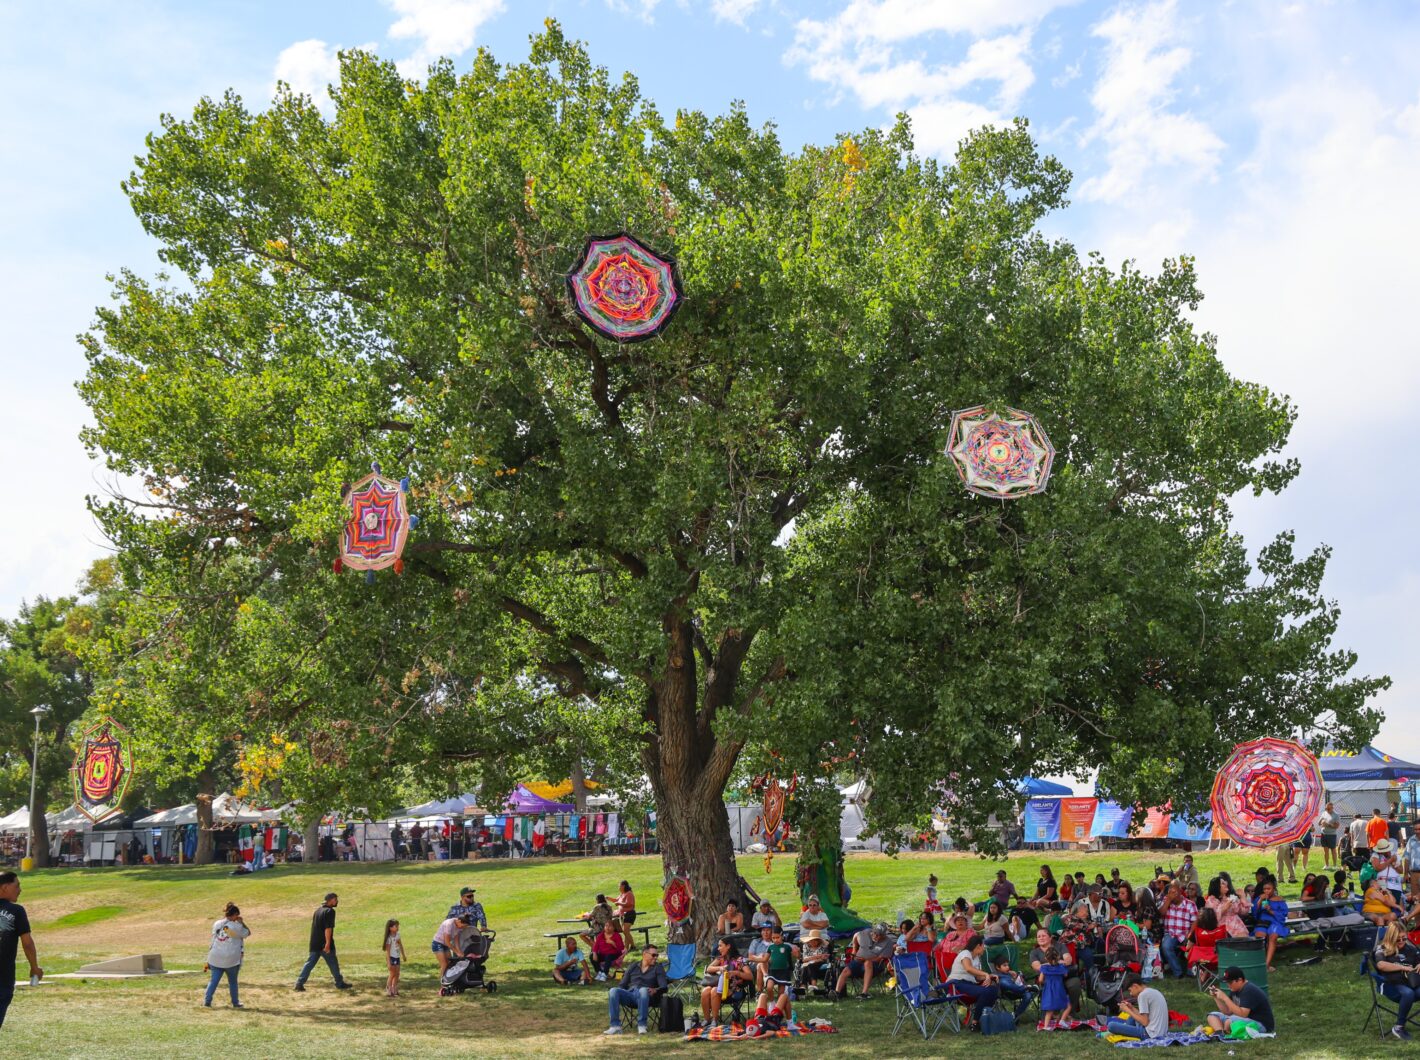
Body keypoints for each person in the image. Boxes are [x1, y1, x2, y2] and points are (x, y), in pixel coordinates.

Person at [0, 872, 41, 1028]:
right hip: (3, 978)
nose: (20, 890)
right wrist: (34, 968)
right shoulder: (16, 911)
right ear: (4, 887)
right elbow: (27, 943)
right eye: (17, 886)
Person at [604, 944, 667, 1036]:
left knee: (643, 990)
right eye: (653, 955)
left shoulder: (658, 968)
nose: (656, 958)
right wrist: (619, 994)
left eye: (657, 955)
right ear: (645, 954)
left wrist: (656, 990)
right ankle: (615, 1026)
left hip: (647, 995)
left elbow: (664, 987)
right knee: (613, 990)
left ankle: (642, 1025)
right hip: (631, 994)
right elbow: (622, 985)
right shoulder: (633, 966)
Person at [1372, 922, 1420, 1041]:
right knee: (1408, 993)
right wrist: (1403, 967)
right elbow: (1381, 965)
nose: (1402, 941)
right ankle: (1399, 1027)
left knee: (1410, 992)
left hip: (1412, 982)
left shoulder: (1411, 948)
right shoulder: (1382, 949)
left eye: (1404, 938)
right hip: (1393, 985)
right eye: (1398, 939)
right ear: (1391, 937)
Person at [295, 892, 351, 991]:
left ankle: (299, 983)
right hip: (324, 943)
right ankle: (339, 983)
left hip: (314, 942)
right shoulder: (330, 911)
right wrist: (328, 944)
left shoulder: (317, 911)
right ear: (329, 901)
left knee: (309, 964)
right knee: (333, 963)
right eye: (335, 899)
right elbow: (328, 929)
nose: (337, 901)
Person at [945, 933, 999, 1030]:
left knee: (992, 990)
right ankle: (975, 1023)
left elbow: (977, 977)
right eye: (984, 946)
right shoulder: (965, 953)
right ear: (978, 946)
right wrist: (985, 974)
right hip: (955, 984)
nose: (984, 948)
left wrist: (989, 977)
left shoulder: (977, 958)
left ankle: (983, 1019)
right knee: (986, 991)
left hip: (969, 984)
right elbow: (968, 968)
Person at [1204, 966, 1276, 1038]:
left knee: (1229, 1021)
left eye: (1230, 982)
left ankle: (1225, 1035)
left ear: (1240, 980)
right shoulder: (1235, 989)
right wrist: (1216, 997)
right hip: (1244, 1020)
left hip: (1262, 1025)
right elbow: (1228, 1011)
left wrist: (1225, 998)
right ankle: (1219, 1033)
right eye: (1227, 982)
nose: (1228, 985)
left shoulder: (1248, 990)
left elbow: (1243, 1014)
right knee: (1212, 1015)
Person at [202, 901, 248, 1008]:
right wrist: (241, 923)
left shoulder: (217, 923)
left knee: (213, 981)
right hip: (230, 959)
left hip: (215, 957)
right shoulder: (236, 927)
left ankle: (207, 1000)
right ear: (235, 915)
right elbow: (247, 933)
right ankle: (235, 1002)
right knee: (232, 982)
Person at [699, 937, 752, 1029]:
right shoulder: (721, 959)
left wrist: (736, 973)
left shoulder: (739, 960)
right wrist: (720, 968)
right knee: (705, 991)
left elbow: (750, 976)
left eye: (720, 946)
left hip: (734, 991)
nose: (718, 948)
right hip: (720, 988)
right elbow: (709, 969)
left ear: (728, 946)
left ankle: (715, 1020)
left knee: (714, 990)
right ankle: (707, 1020)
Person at [836, 920, 893, 999]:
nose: (876, 936)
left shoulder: (888, 942)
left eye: (879, 935)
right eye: (875, 933)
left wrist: (865, 959)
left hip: (875, 966)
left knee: (867, 963)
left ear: (884, 935)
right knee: (846, 969)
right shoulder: (866, 933)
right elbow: (856, 935)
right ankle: (837, 993)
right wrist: (854, 949)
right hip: (858, 962)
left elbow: (880, 959)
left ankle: (864, 993)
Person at [1104, 974, 1168, 1040]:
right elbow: (1145, 1017)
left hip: (1149, 1034)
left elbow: (1145, 1022)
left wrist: (1127, 1010)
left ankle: (1121, 1030)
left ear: (1135, 986)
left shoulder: (1142, 995)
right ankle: (1123, 1029)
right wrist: (1132, 1008)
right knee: (1132, 1016)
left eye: (1130, 990)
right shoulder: (1153, 991)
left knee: (1111, 1025)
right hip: (1160, 1032)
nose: (1130, 994)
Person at [1250, 879, 1290, 971]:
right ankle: (1260, 962)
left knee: (1273, 936)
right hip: (1263, 922)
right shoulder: (1260, 898)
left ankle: (1267, 965)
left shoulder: (1280, 900)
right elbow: (1255, 914)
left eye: (1269, 889)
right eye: (1265, 889)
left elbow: (1283, 916)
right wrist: (1259, 902)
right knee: (1260, 937)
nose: (1266, 891)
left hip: (1276, 922)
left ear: (1274, 889)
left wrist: (1270, 910)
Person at [1160, 882, 1198, 979]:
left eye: (1174, 893)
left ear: (1180, 893)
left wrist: (1190, 936)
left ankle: (1191, 972)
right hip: (1171, 934)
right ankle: (1178, 973)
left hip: (1185, 934)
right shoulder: (1166, 901)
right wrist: (1168, 900)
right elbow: (1160, 914)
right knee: (1166, 946)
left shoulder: (1190, 904)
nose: (1172, 895)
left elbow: (1195, 922)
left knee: (1194, 945)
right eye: (1170, 893)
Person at [990, 952, 1036, 1021]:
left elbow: (1017, 983)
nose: (1007, 967)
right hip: (1006, 993)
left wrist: (1015, 977)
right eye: (1004, 965)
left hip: (1016, 991)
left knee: (1028, 995)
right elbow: (989, 975)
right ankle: (1027, 988)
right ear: (997, 967)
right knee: (1003, 981)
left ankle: (1015, 1015)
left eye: (1008, 965)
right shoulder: (995, 974)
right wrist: (992, 976)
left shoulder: (1010, 974)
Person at [1186, 907, 1226, 987]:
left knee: (1188, 953)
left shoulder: (1197, 932)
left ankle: (1202, 972)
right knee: (1211, 956)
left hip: (1202, 961)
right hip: (1219, 960)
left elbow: (1188, 947)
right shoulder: (1221, 931)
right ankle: (1206, 973)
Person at [432, 910, 474, 978]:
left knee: (449, 963)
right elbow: (447, 941)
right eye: (463, 926)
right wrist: (457, 952)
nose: (463, 928)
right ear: (459, 921)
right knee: (444, 964)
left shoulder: (459, 926)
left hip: (445, 945)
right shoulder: (449, 924)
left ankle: (448, 980)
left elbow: (456, 939)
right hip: (438, 943)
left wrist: (459, 950)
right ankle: (442, 984)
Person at [1037, 944, 1071, 1029]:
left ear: (1046, 958)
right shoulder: (1061, 967)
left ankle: (1045, 1026)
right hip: (1059, 989)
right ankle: (1062, 1020)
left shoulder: (1044, 968)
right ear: (1058, 957)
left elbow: (1040, 980)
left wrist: (1046, 981)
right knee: (1068, 1006)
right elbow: (1066, 975)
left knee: (1049, 1010)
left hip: (1048, 990)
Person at [762, 927, 797, 995]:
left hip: (783, 971)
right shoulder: (770, 946)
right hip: (772, 971)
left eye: (777, 937)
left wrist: (797, 953)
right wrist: (751, 959)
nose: (775, 940)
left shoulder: (787, 945)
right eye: (773, 938)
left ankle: (779, 1004)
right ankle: (772, 1003)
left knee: (781, 993)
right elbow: (764, 959)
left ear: (782, 936)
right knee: (769, 987)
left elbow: (797, 954)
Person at [379, 918, 404, 998]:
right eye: (396, 926)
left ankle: (394, 987)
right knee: (392, 973)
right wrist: (389, 962)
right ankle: (388, 987)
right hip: (391, 957)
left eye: (397, 926)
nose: (397, 927)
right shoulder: (389, 939)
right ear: (390, 928)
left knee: (397, 973)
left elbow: (400, 945)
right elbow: (388, 951)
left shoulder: (398, 935)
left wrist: (403, 955)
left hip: (397, 957)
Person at [747, 923, 774, 991]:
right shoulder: (756, 942)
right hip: (754, 965)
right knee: (761, 963)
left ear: (772, 931)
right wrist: (760, 958)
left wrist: (764, 959)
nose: (765, 932)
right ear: (761, 932)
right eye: (763, 930)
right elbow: (750, 957)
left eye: (768, 930)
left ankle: (759, 992)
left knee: (760, 964)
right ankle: (766, 977)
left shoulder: (775, 942)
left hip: (771, 964)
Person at [1318, 801, 1340, 869]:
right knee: (1325, 850)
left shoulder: (1336, 815)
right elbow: (1319, 823)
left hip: (1332, 835)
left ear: (1332, 808)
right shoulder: (1324, 813)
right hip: (1324, 834)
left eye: (1328, 809)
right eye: (1326, 808)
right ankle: (1327, 865)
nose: (1326, 810)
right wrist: (1321, 822)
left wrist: (1328, 824)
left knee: (1333, 850)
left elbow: (1337, 826)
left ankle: (1335, 865)